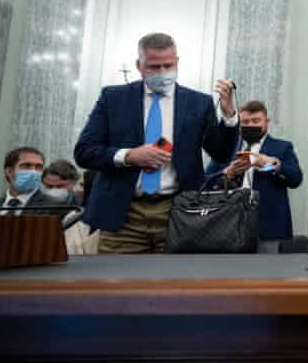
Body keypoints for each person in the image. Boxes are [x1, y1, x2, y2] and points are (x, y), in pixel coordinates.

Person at [74, 32, 239, 253]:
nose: (162, 72)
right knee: (119, 284)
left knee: (176, 285)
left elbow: (220, 154)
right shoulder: (113, 98)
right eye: (154, 67)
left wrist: (229, 117)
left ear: (177, 62)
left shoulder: (199, 103)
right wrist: (129, 156)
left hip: (179, 213)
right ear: (139, 65)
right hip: (123, 215)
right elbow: (84, 151)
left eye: (168, 65)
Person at [205, 100, 303, 253]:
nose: (250, 125)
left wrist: (272, 163)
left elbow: (296, 178)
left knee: (269, 275)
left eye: (256, 121)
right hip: (228, 226)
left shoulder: (282, 147)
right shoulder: (227, 148)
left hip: (270, 229)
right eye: (245, 122)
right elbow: (206, 182)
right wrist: (227, 174)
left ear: (267, 122)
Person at [0, 147, 60, 215]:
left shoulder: (54, 207)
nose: (33, 171)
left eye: (39, 167)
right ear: (9, 171)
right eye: (27, 165)